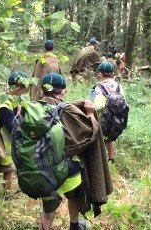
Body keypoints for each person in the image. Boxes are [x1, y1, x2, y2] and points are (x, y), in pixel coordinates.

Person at [39, 72, 113, 230]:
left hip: (40, 168)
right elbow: (89, 133)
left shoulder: (32, 110)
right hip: (66, 169)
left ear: (41, 91)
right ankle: (74, 224)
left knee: (48, 208)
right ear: (63, 91)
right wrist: (91, 114)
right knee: (75, 194)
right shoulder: (67, 111)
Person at [89, 62, 124, 162]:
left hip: (105, 117)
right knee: (111, 138)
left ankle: (101, 160)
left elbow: (98, 106)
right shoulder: (118, 86)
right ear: (112, 74)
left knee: (100, 139)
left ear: (100, 74)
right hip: (118, 117)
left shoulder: (99, 88)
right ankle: (111, 158)